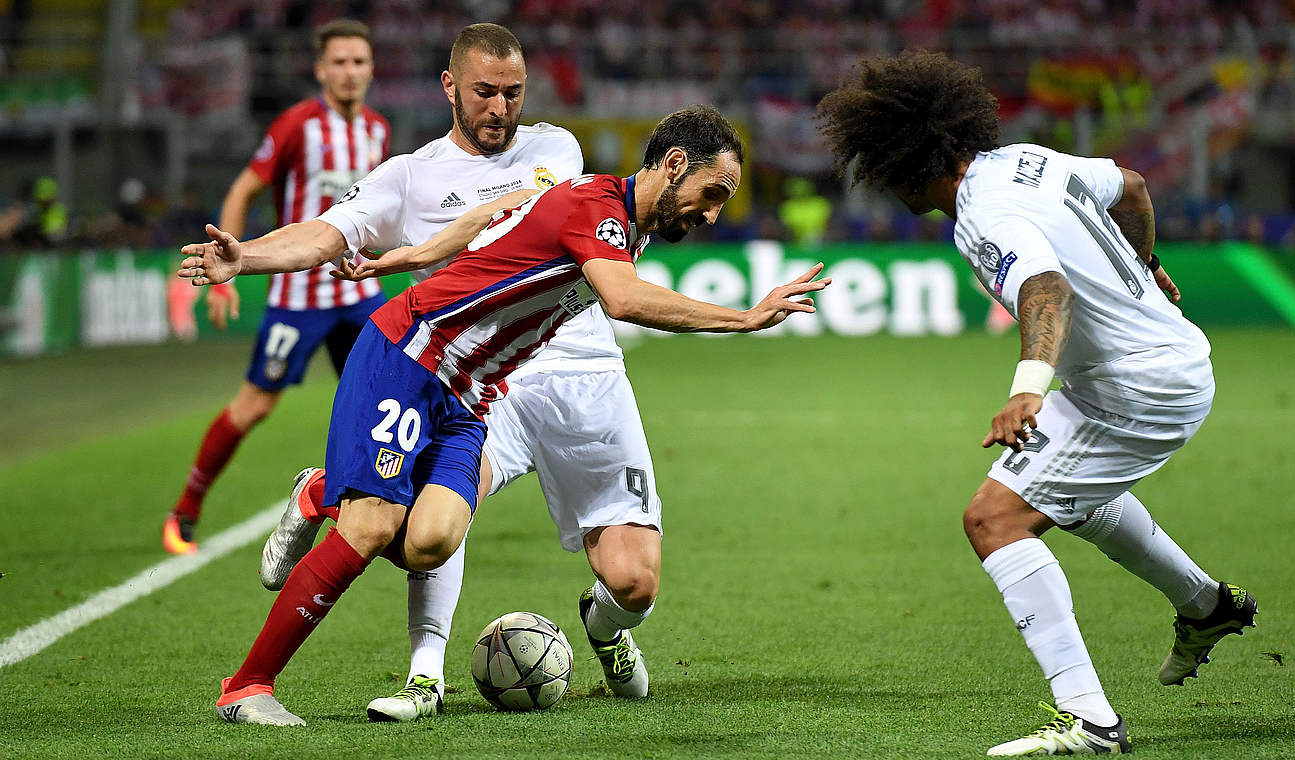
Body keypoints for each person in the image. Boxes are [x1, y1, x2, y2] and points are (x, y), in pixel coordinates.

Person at [180, 104, 831, 726]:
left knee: (431, 541)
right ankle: (247, 686)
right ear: (675, 163)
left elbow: (493, 217)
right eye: (713, 193)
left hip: (469, 392)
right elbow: (624, 301)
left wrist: (408, 257)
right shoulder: (596, 207)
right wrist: (745, 317)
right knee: (373, 525)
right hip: (410, 354)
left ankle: (321, 489)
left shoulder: (604, 212)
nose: (714, 214)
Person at [817, 51, 1256, 756]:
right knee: (1067, 497)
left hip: (1137, 388)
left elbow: (1045, 288)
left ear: (901, 160)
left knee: (993, 520)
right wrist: (1145, 264)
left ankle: (1091, 721)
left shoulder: (980, 212)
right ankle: (1207, 607)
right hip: (1154, 365)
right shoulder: (1026, 160)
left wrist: (1026, 392)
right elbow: (1134, 187)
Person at [259, 22, 668, 723]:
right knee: (429, 531)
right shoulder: (408, 177)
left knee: (634, 581)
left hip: (587, 373)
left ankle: (605, 629)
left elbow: (541, 223)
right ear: (450, 86)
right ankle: (425, 676)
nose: (500, 108)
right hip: (484, 384)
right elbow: (328, 233)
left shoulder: (557, 150)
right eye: (484, 92)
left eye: (513, 93)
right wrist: (249, 257)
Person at [162, 19, 391, 555]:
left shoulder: (378, 130)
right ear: (320, 70)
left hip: (356, 294)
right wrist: (227, 269)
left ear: (372, 69)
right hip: (299, 299)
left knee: (381, 396)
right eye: (339, 62)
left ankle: (370, 510)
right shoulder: (296, 126)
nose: (350, 72)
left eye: (359, 62)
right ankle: (187, 508)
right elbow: (244, 189)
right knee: (255, 406)